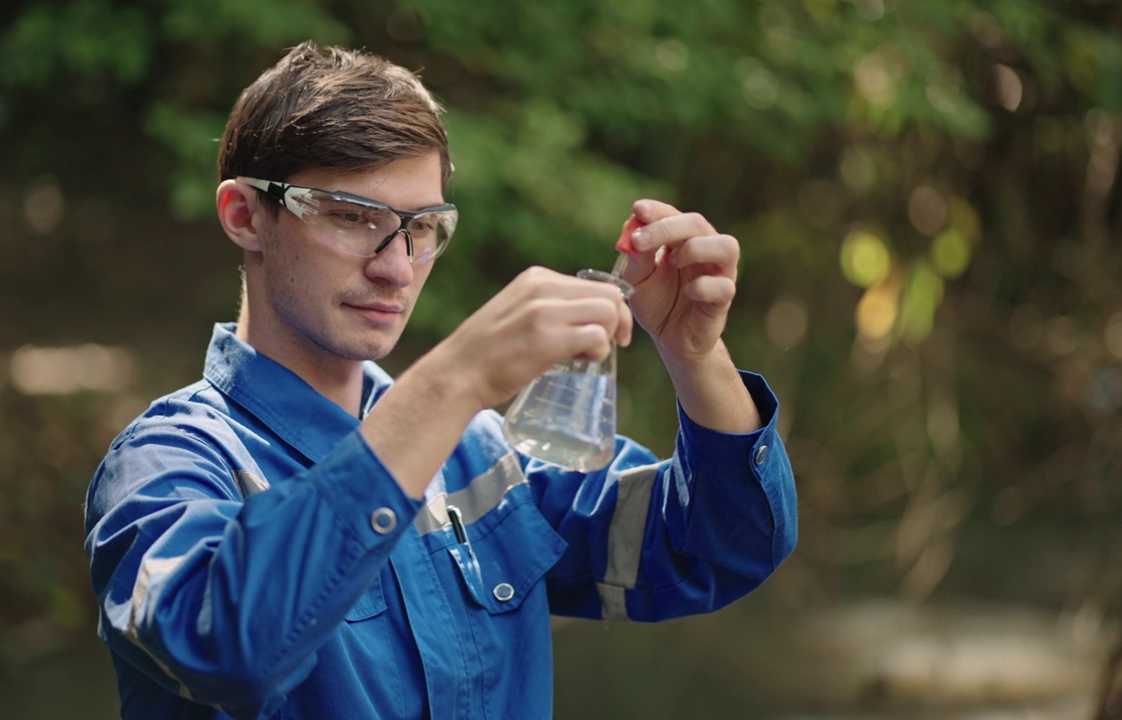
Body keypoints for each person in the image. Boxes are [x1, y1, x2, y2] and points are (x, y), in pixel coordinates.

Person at [84, 40, 798, 720]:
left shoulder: (485, 453)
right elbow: (224, 651)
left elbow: (721, 546)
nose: (396, 267)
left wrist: (694, 355)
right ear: (246, 216)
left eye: (421, 227)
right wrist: (454, 380)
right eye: (352, 218)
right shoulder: (169, 463)